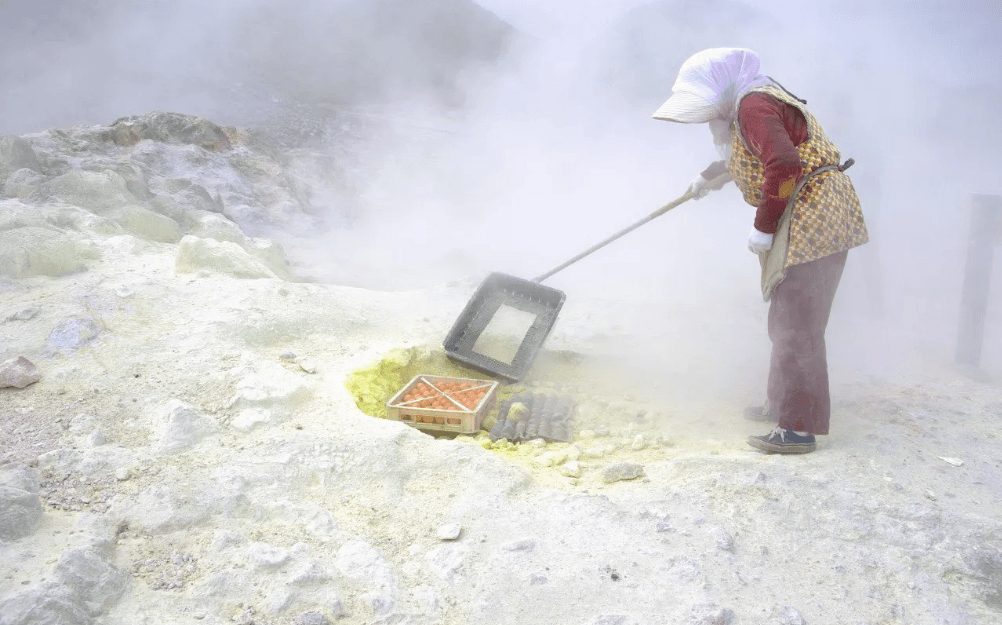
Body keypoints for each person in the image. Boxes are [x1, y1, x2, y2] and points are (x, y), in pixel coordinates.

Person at [652, 47, 868, 454]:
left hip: (810, 213)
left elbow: (784, 166)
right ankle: (780, 404)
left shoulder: (753, 105)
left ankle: (797, 428)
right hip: (806, 210)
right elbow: (757, 155)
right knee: (787, 315)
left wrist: (763, 227)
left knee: (799, 321)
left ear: (722, 86)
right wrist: (708, 177)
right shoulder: (753, 102)